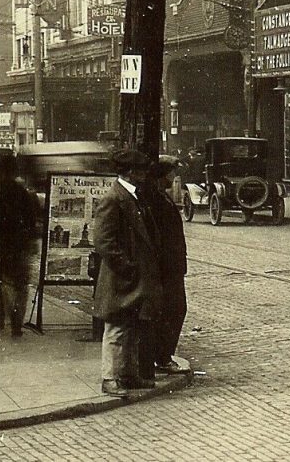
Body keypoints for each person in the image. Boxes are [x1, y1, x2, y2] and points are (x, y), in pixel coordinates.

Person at [93, 149, 162, 397]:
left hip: (132, 277)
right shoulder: (114, 199)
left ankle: (128, 374)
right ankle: (110, 378)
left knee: (131, 326)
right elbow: (103, 241)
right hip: (121, 278)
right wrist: (127, 267)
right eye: (141, 171)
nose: (144, 176)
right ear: (130, 173)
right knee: (116, 327)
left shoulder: (131, 196)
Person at [0, 153, 40, 337]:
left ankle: (0, 319)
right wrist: (31, 242)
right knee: (20, 285)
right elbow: (31, 221)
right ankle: (17, 323)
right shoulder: (24, 193)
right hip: (19, 245)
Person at [142, 158, 188, 375]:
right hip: (166, 267)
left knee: (173, 310)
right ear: (163, 175)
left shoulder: (160, 196)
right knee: (174, 309)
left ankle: (161, 355)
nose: (174, 177)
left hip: (171, 266)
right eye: (171, 173)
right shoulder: (157, 198)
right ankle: (162, 357)